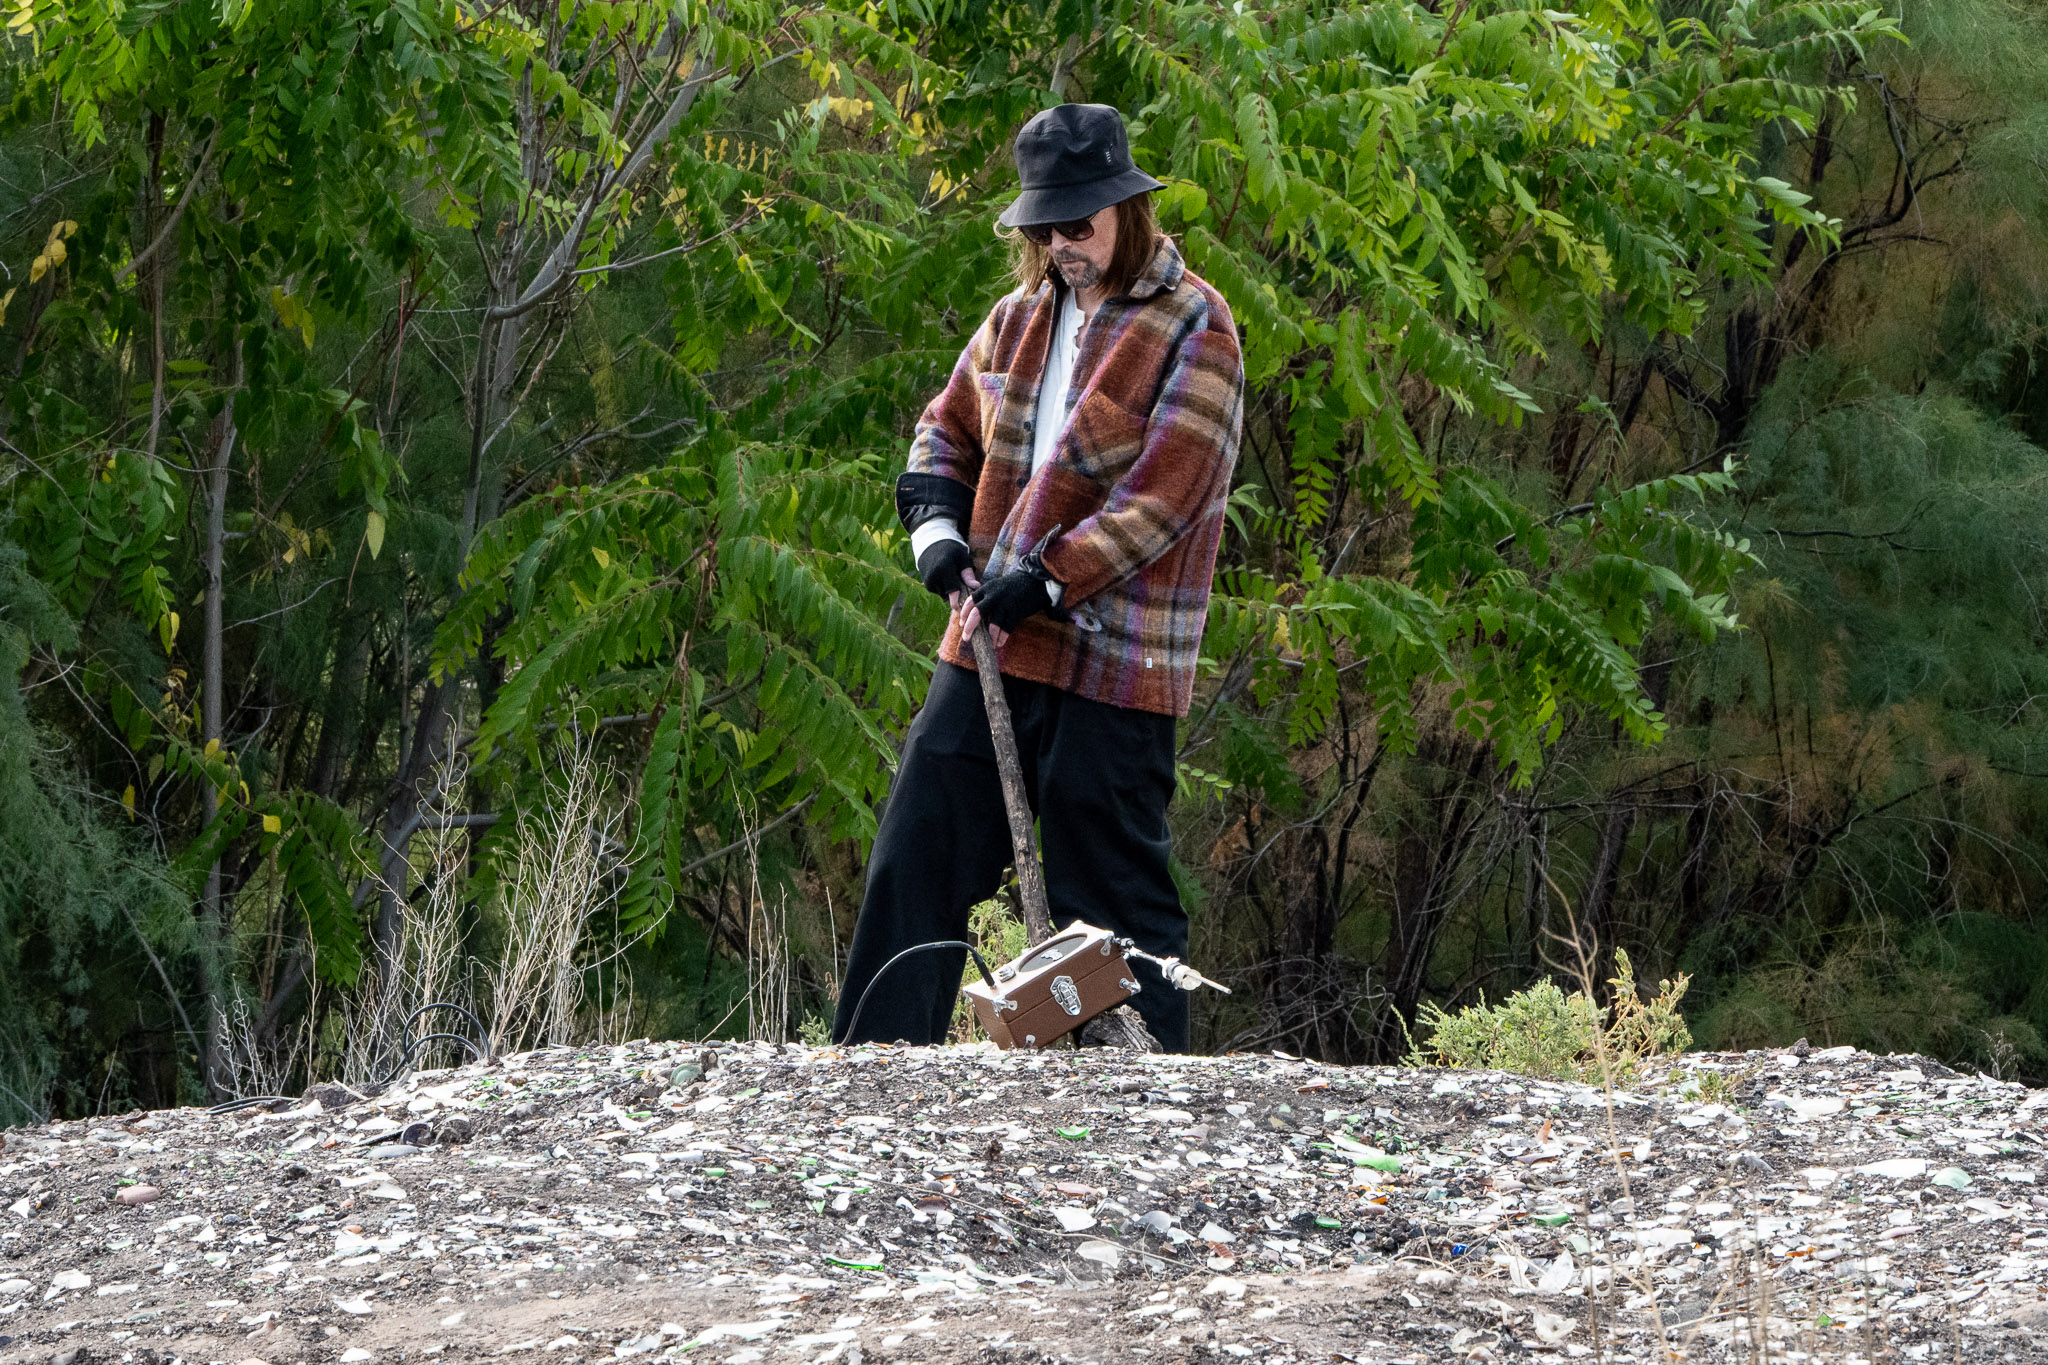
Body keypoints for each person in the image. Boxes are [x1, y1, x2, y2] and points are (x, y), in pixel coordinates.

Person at [832, 103, 1244, 1052]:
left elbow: (1168, 496)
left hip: (1119, 662)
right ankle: (868, 1078)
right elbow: (942, 431)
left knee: (1116, 908)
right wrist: (935, 531)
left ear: (1126, 211)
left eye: (1079, 223)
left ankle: (1144, 1111)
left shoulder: (1197, 324)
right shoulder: (1016, 320)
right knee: (914, 858)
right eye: (1045, 226)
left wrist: (1049, 580)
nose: (1062, 243)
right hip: (988, 645)